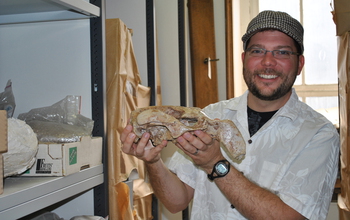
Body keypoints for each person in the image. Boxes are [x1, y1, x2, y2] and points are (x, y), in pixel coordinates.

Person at [120, 10, 339, 220]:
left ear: (300, 64)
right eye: (257, 51)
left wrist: (215, 163)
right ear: (244, 59)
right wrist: (153, 161)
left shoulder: (319, 134)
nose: (268, 62)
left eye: (282, 52)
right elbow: (176, 201)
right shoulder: (209, 116)